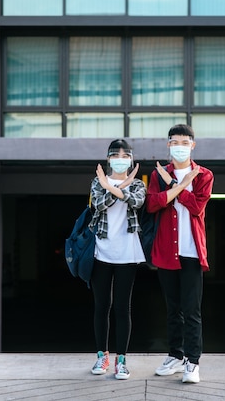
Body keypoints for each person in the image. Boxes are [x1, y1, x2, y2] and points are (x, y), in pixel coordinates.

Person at [146, 124, 214, 384]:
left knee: (192, 310)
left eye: (184, 142)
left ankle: (192, 362)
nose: (179, 146)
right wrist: (173, 185)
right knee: (172, 309)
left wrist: (174, 186)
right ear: (168, 145)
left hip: (192, 252)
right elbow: (152, 204)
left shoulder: (204, 175)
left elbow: (197, 206)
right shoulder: (157, 174)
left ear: (192, 145)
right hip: (166, 252)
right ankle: (175, 355)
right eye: (175, 142)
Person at [88, 139, 147, 380]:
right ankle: (102, 355)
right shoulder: (96, 182)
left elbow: (137, 202)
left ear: (131, 159)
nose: (120, 158)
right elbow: (99, 205)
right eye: (116, 155)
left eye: (125, 155)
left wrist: (111, 186)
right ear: (109, 158)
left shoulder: (139, 185)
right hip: (101, 252)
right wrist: (119, 187)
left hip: (128, 254)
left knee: (123, 307)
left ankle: (121, 360)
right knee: (102, 306)